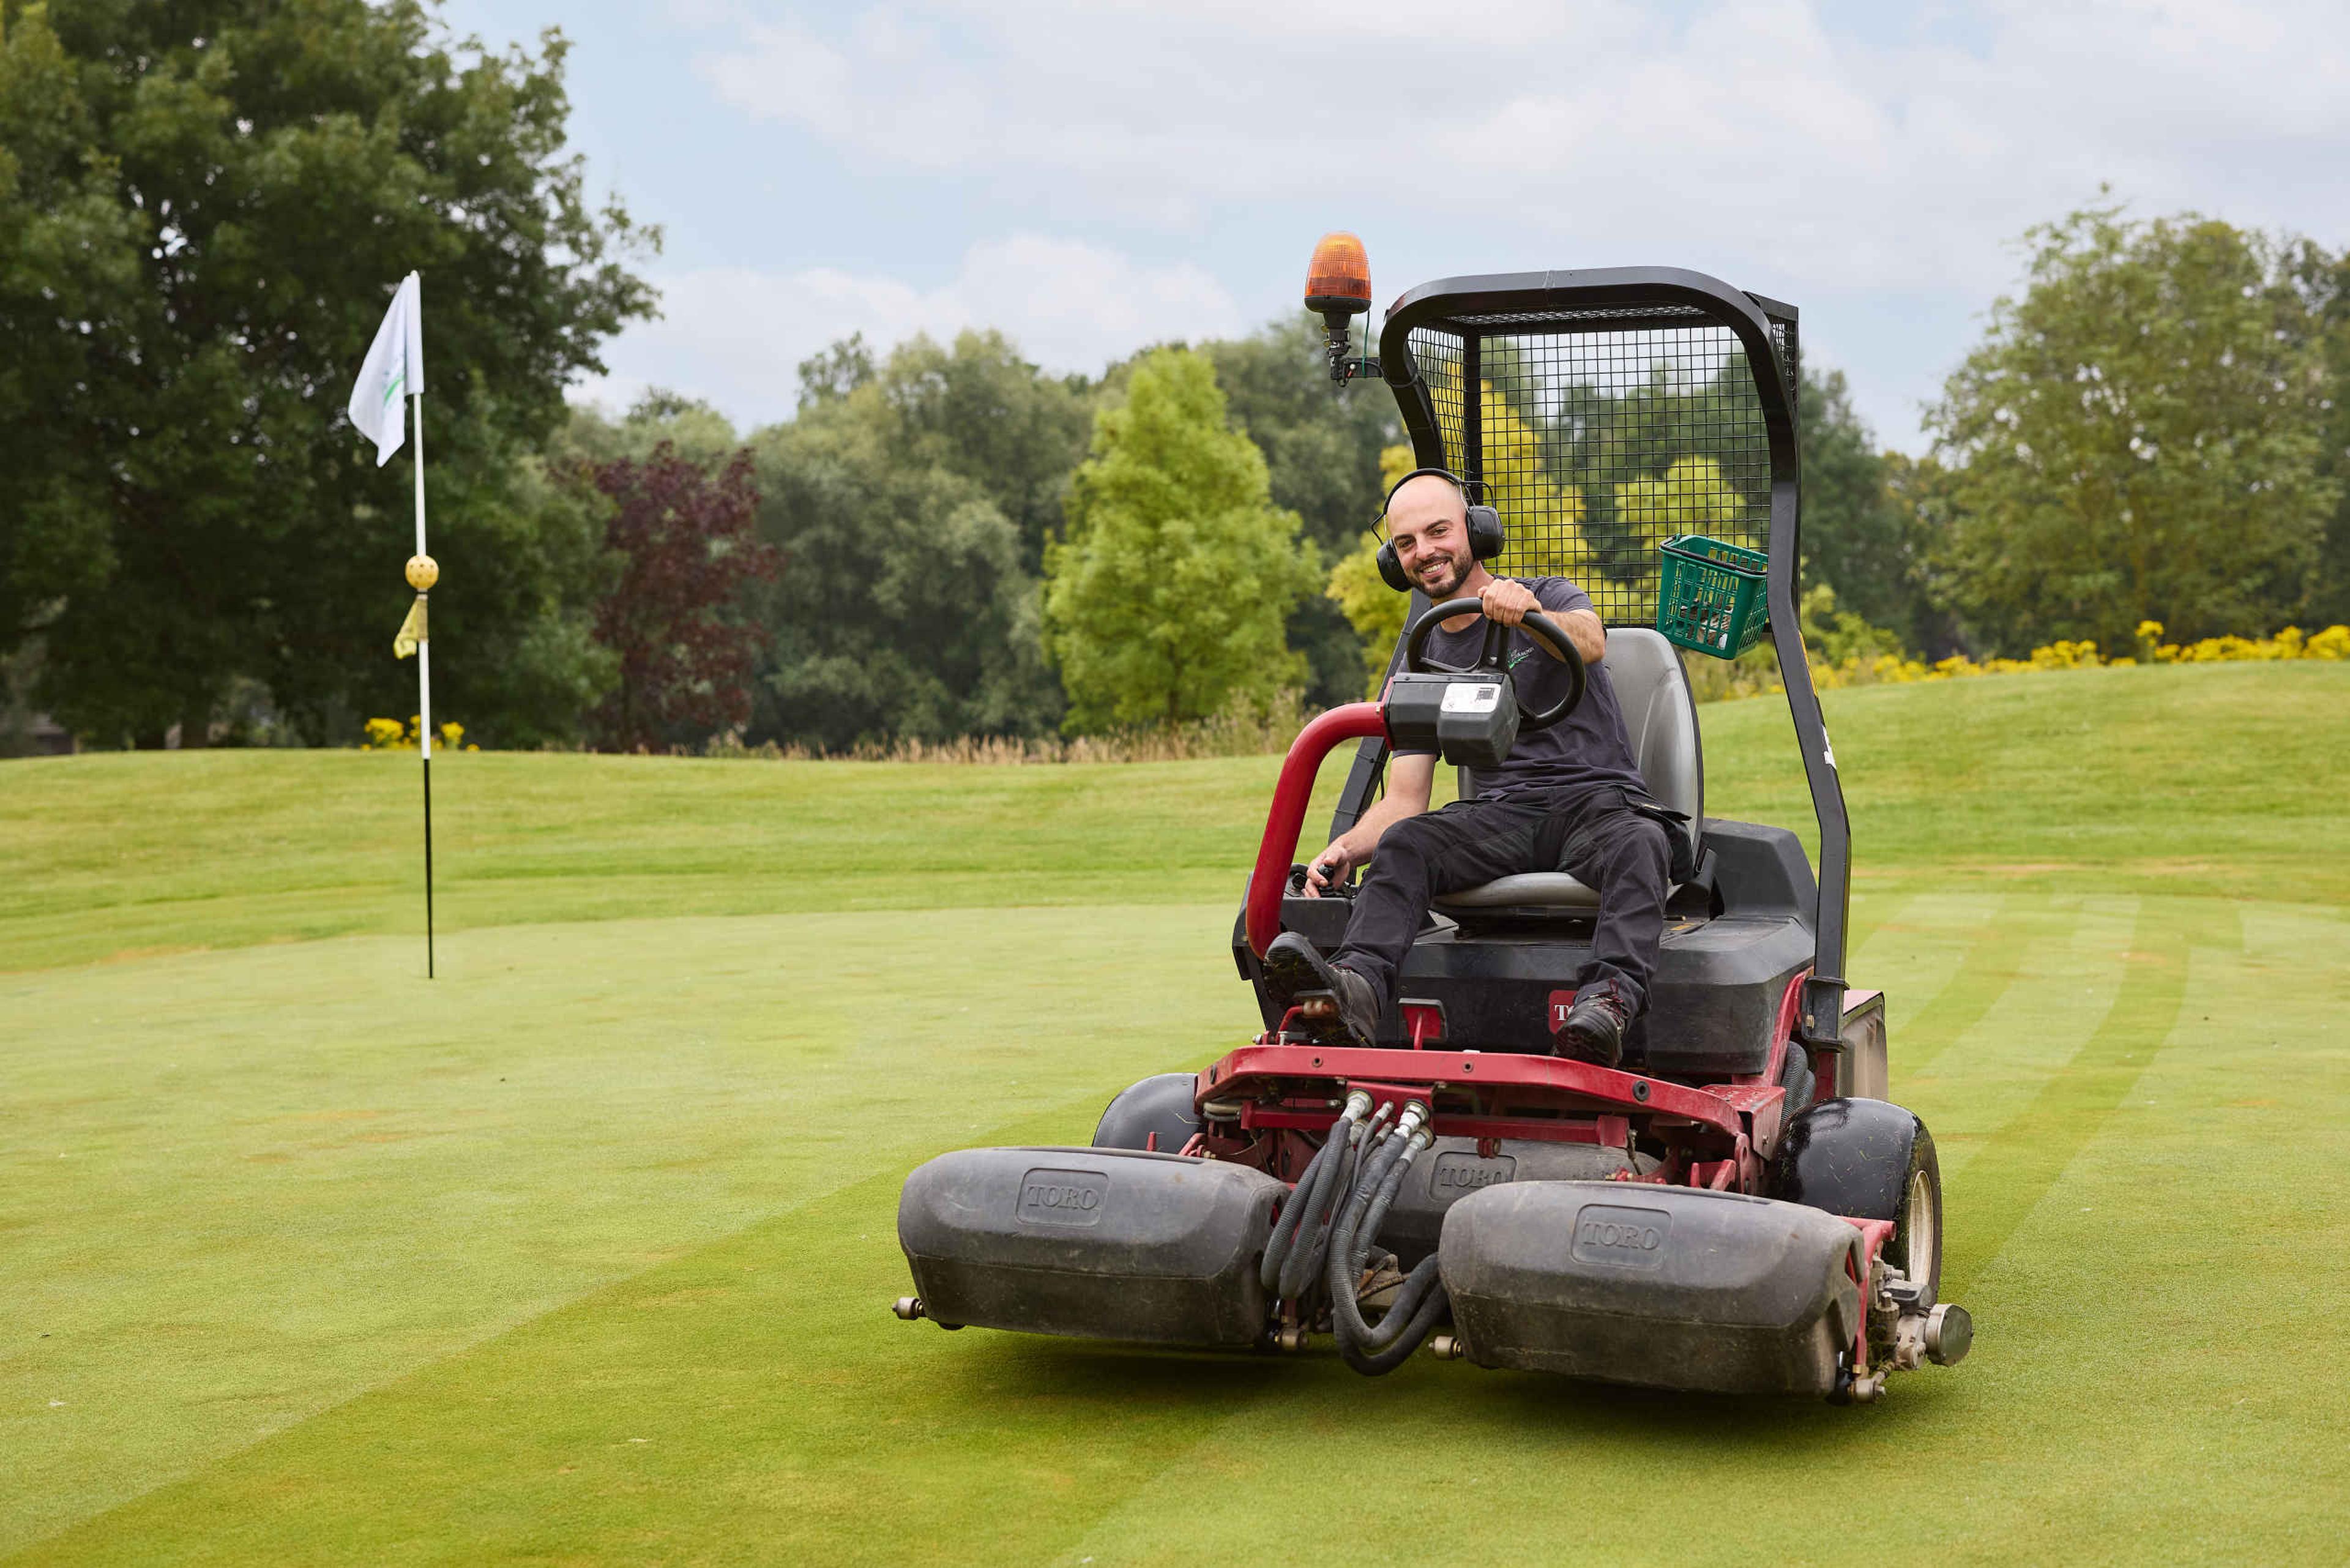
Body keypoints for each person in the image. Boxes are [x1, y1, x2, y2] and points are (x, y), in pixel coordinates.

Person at [1261, 470, 1686, 1066]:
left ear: (1475, 532)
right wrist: (1345, 850)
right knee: (1408, 842)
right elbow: (1406, 797)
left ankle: (1607, 1004)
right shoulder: (1421, 660)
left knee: (1643, 841)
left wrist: (1530, 614)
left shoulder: (1551, 596)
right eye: (1407, 543)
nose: (1425, 551)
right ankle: (1355, 990)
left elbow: (1591, 641)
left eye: (1438, 532)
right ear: (1394, 560)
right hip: (1499, 818)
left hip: (1595, 803)